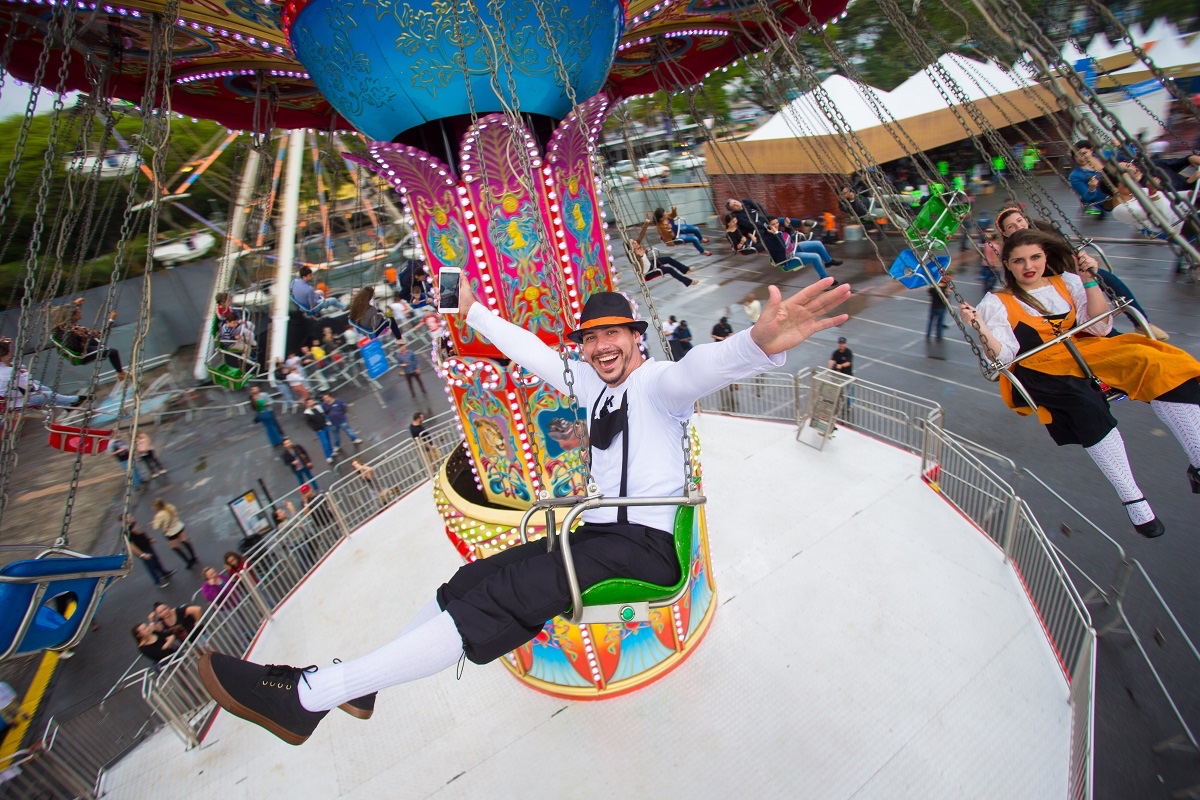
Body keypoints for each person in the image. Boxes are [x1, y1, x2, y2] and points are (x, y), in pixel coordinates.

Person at [198, 278, 851, 746]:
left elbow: (698, 370)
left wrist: (757, 345)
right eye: (591, 338)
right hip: (597, 533)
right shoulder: (590, 380)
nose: (601, 347)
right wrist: (471, 307)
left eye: (613, 335)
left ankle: (309, 697)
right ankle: (357, 683)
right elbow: (531, 352)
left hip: (643, 547)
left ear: (636, 339)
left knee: (501, 597)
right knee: (467, 583)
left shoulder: (659, 384)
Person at [958, 228, 1200, 537]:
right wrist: (980, 328)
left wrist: (1089, 279)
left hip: (1084, 349)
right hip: (1039, 364)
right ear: (1007, 264)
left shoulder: (1067, 283)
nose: (1028, 266)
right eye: (1018, 261)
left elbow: (1099, 327)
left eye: (1035, 257)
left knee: (1162, 363)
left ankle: (1198, 457)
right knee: (1083, 402)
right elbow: (1004, 355)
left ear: (1046, 257)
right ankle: (1132, 498)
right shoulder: (997, 302)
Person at [994, 207, 1169, 341]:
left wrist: (1083, 263)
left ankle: (1141, 323)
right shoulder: (1013, 251)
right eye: (1011, 226)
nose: (1018, 226)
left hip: (1068, 273)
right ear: (1005, 232)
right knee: (1082, 320)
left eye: (1019, 220)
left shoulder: (1042, 231)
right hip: (1049, 286)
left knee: (1105, 278)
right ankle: (1119, 338)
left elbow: (1066, 252)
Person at [49, 298, 127, 379]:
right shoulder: (78, 330)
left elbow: (68, 312)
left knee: (94, 340)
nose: (81, 312)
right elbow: (102, 334)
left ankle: (100, 349)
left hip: (76, 349)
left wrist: (75, 304)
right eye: (79, 312)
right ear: (73, 316)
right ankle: (121, 374)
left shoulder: (62, 326)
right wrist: (111, 320)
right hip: (82, 355)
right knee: (113, 352)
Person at [0, 339, 86, 409]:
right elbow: (28, 386)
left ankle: (67, 405)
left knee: (44, 388)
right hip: (17, 402)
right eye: (8, 353)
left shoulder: (5, 368)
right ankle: (74, 400)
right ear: (3, 356)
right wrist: (25, 373)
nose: (10, 354)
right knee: (45, 395)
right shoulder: (9, 372)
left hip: (16, 394)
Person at [760, 218, 841, 285]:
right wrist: (776, 233)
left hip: (793, 248)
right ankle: (824, 278)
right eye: (773, 224)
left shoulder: (778, 231)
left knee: (818, 244)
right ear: (768, 227)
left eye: (777, 223)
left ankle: (829, 261)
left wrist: (787, 227)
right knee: (815, 257)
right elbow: (782, 247)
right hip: (788, 259)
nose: (776, 225)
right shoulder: (768, 240)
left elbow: (787, 238)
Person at [629, 217, 698, 287]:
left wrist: (647, 221)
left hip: (651, 264)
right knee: (669, 269)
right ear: (631, 247)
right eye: (633, 243)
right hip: (648, 273)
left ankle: (685, 270)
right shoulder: (634, 256)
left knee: (668, 259)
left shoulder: (637, 246)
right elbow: (641, 270)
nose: (635, 242)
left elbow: (642, 233)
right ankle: (688, 282)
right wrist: (640, 256)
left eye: (634, 241)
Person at [122, 513, 173, 588]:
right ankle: (157, 581)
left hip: (147, 545)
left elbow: (142, 533)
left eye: (131, 516)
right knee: (151, 565)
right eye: (129, 518)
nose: (132, 518)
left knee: (156, 560)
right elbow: (132, 547)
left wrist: (149, 539)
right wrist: (142, 555)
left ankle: (164, 573)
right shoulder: (127, 532)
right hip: (142, 550)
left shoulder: (134, 524)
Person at [1068, 142, 1113, 217]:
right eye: (1076, 156)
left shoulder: (1100, 156)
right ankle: (1094, 212)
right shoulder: (1075, 175)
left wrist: (1119, 145)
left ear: (1091, 150)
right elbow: (1086, 198)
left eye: (1084, 153)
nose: (1081, 157)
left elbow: (1124, 155)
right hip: (1106, 200)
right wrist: (1092, 189)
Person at [151, 498, 197, 569]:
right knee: (185, 541)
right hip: (179, 527)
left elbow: (156, 527)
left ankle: (188, 561)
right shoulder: (170, 507)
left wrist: (155, 520)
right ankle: (193, 556)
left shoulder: (159, 515)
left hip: (170, 532)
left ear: (156, 507)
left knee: (175, 547)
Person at [303, 397, 336, 462]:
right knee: (324, 442)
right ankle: (328, 456)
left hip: (325, 426)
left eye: (312, 401)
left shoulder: (317, 407)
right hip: (320, 429)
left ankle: (331, 451)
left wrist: (326, 422)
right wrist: (316, 429)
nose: (312, 403)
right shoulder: (307, 413)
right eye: (309, 402)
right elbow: (310, 423)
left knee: (328, 439)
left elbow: (323, 415)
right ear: (306, 404)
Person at [926, 273, 951, 341]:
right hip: (941, 308)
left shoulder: (934, 287)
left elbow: (928, 293)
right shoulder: (944, 289)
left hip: (933, 307)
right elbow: (947, 300)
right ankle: (939, 336)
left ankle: (928, 334)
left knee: (931, 322)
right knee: (939, 322)